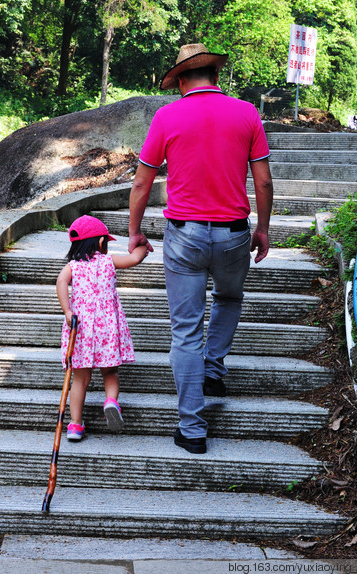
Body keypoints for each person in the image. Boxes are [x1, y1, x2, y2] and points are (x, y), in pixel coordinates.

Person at [128, 43, 273, 455]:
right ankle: (213, 368)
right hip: (232, 235)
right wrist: (262, 229)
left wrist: (135, 231)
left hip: (185, 236)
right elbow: (262, 182)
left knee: (185, 331)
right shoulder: (246, 112)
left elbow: (141, 183)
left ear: (179, 81)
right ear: (215, 75)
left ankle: (192, 429)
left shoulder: (167, 115)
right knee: (228, 296)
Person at [56, 214, 148, 441]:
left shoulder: (73, 266)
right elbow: (135, 258)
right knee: (110, 371)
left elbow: (60, 282)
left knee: (80, 379)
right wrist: (143, 245)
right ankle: (111, 401)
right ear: (100, 243)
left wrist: (68, 311)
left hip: (82, 329)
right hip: (107, 328)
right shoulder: (110, 261)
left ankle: (75, 425)